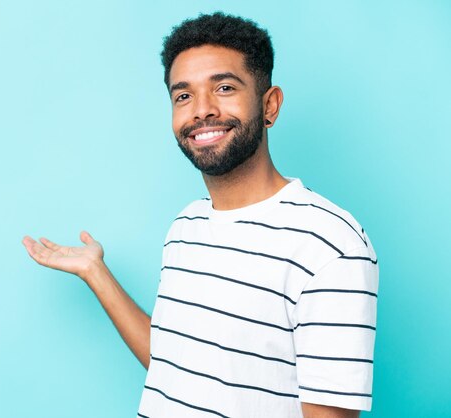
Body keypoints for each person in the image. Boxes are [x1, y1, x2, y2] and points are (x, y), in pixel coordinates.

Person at [22, 12, 378, 418]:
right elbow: (175, 369)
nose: (201, 111)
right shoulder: (186, 226)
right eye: (183, 96)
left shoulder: (329, 245)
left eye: (224, 87)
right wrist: (96, 273)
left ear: (270, 105)